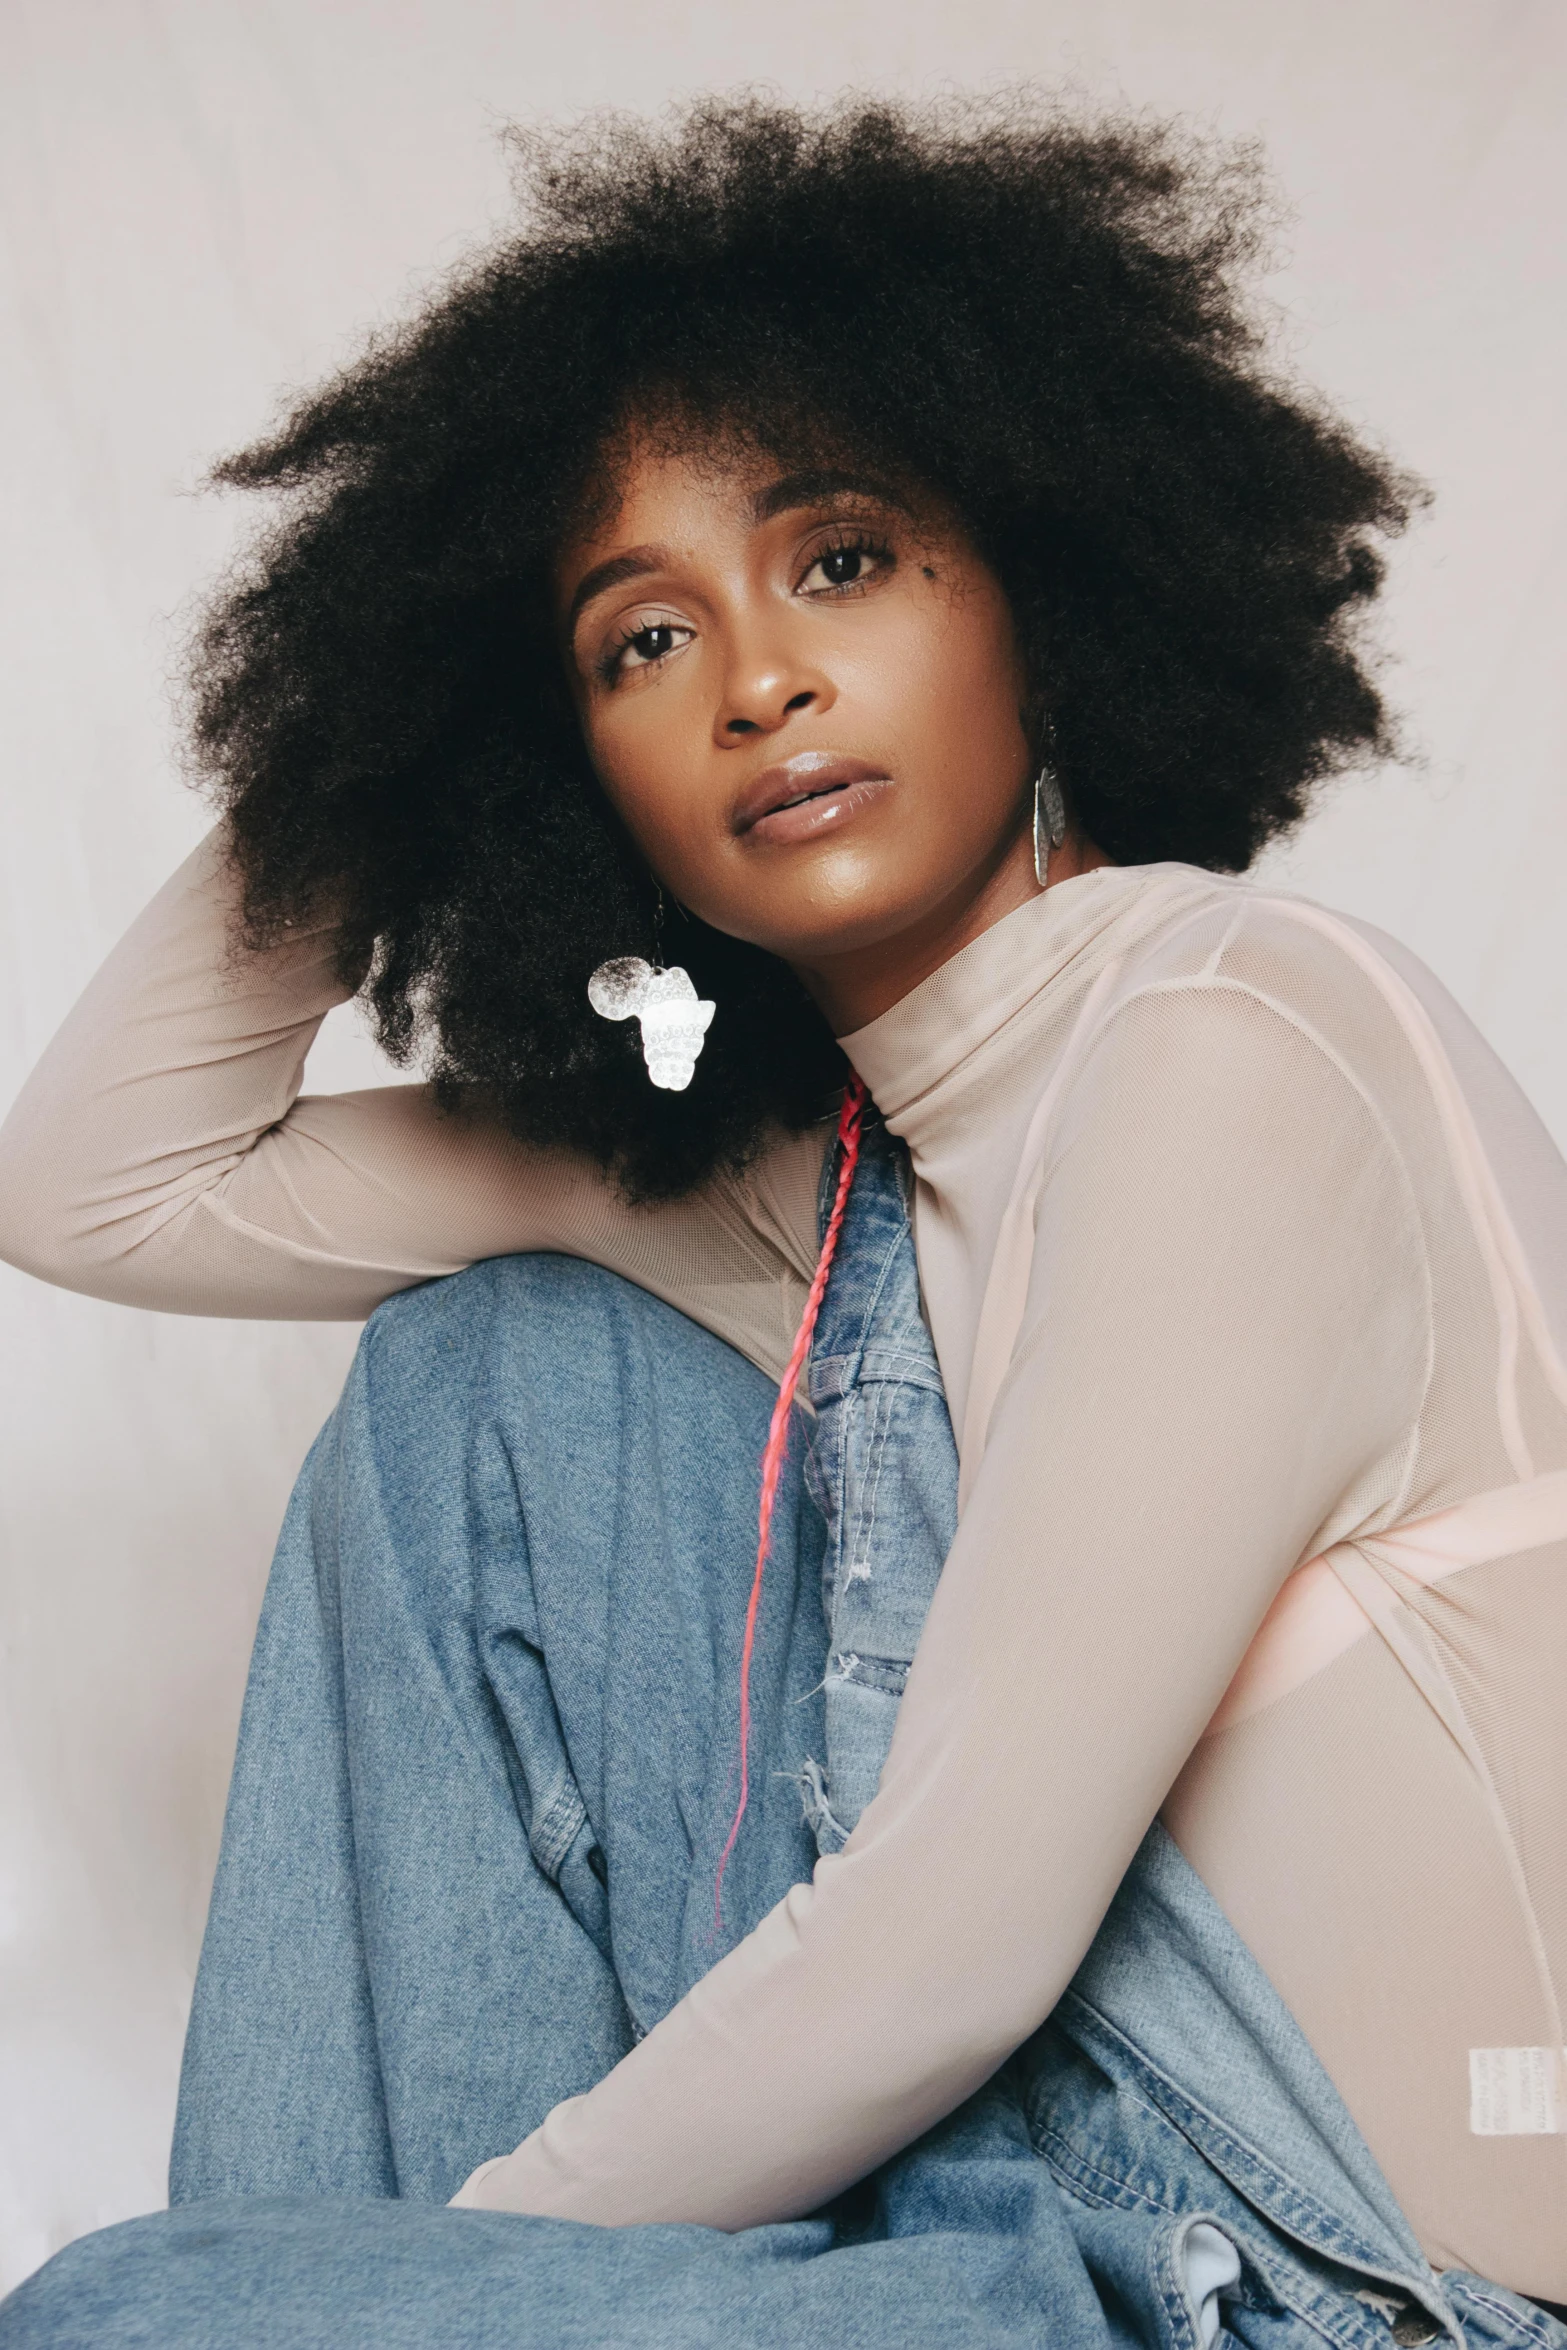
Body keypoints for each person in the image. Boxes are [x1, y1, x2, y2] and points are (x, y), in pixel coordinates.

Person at [0, 94, 1563, 2349]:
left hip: (1360, 2292)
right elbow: (97, 1183)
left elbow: (951, 1934)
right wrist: (403, 731)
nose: (757, 681)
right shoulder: (815, 1184)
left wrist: (401, 2295)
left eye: (840, 559)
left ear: (1040, 576)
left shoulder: (1235, 1042)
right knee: (495, 1373)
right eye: (640, 642)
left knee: (145, 2321)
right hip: (1034, 2221)